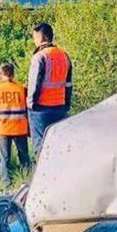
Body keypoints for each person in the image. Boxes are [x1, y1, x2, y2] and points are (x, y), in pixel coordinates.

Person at [26, 22, 72, 154]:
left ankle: (43, 173)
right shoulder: (64, 55)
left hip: (41, 109)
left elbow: (34, 85)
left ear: (43, 38)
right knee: (58, 144)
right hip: (60, 107)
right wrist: (66, 104)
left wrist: (30, 105)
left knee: (41, 147)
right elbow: (69, 84)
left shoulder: (40, 56)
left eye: (35, 37)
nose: (34, 41)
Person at [0, 62, 32, 187]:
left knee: (4, 158)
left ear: (1, 74)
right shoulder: (22, 89)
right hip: (19, 128)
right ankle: (27, 180)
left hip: (3, 129)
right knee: (24, 156)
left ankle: (6, 183)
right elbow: (29, 109)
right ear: (13, 73)